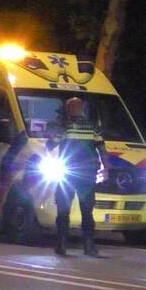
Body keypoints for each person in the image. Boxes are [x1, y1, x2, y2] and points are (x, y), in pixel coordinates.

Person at [47, 97, 109, 256]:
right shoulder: (93, 127)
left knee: (63, 210)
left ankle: (61, 244)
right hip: (87, 174)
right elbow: (101, 148)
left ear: (70, 109)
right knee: (87, 211)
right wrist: (106, 168)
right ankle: (89, 246)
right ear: (82, 109)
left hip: (67, 173)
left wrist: (53, 130)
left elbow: (50, 145)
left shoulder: (64, 126)